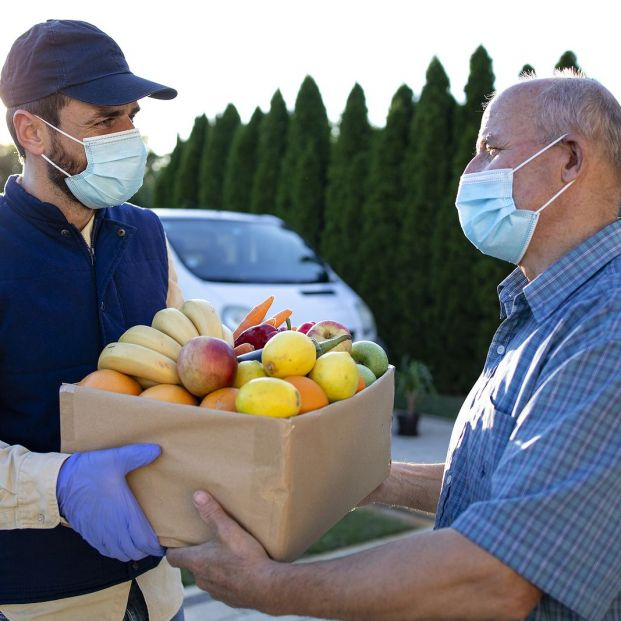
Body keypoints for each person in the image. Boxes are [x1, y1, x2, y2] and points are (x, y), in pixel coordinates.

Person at [167, 73, 621, 620]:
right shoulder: (551, 306)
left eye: (490, 150)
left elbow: (499, 579)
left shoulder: (606, 324)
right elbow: (507, 487)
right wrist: (357, 476)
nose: (468, 174)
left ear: (570, 159)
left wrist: (267, 586)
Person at [0, 20, 186, 621]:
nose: (129, 136)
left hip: (159, 594)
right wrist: (59, 485)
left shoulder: (148, 235)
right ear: (31, 131)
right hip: (36, 602)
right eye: (105, 121)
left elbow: (186, 385)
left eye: (132, 116)